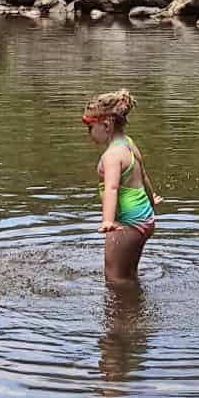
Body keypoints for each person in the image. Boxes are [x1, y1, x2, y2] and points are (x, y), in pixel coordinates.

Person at [82, 89, 161, 282]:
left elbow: (111, 188)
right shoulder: (128, 143)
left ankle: (126, 312)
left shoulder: (112, 156)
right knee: (128, 273)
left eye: (90, 127)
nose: (89, 134)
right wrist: (151, 200)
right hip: (144, 218)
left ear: (106, 124)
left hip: (128, 222)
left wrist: (108, 220)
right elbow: (143, 175)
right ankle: (137, 307)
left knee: (115, 277)